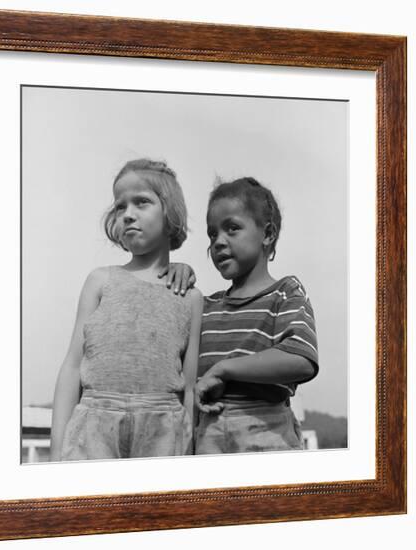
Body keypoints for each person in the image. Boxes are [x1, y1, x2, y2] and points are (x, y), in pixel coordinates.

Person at [50, 159, 203, 461]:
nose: (128, 215)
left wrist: (191, 456)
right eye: (121, 207)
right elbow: (72, 366)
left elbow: (189, 386)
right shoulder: (100, 280)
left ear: (169, 211)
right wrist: (56, 450)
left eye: (141, 202)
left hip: (164, 431)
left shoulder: (190, 296)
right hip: (93, 425)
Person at [195, 177, 319, 454]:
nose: (218, 242)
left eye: (232, 228)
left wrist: (224, 369)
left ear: (267, 234)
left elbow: (301, 359)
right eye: (212, 234)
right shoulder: (205, 306)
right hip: (207, 436)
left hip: (269, 432)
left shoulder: (285, 292)